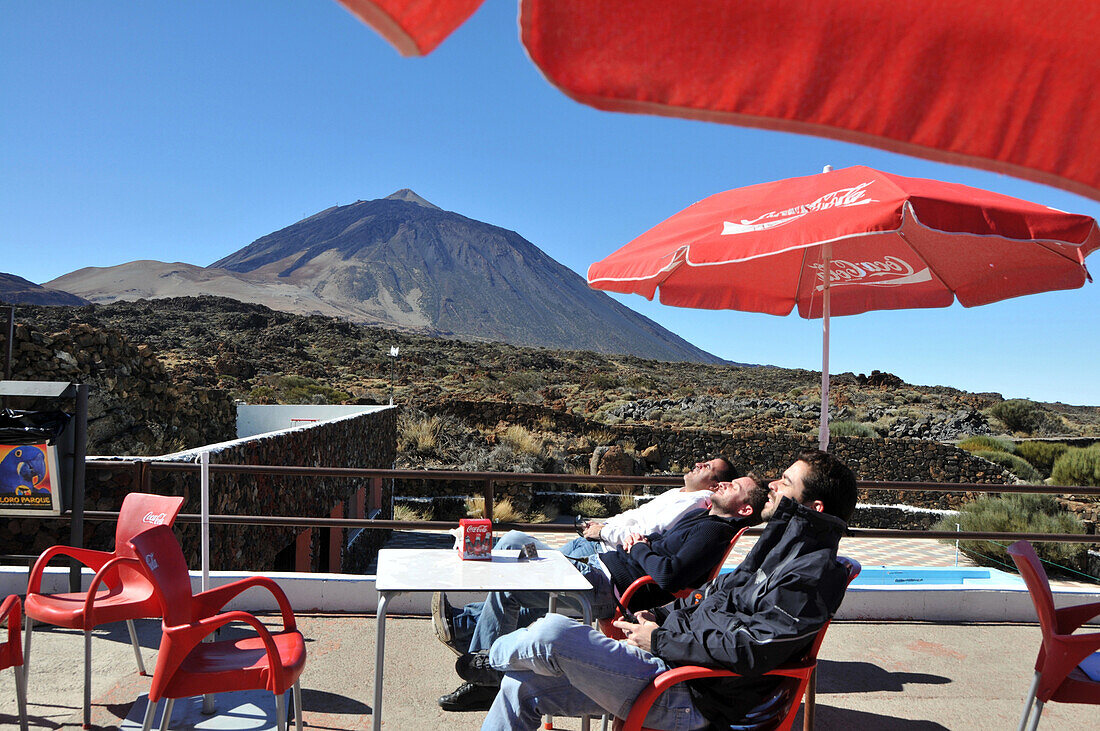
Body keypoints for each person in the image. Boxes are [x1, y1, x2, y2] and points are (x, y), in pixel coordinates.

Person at [467, 449, 858, 730]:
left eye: (785, 482)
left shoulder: (809, 576)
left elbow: (750, 649)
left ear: (815, 507)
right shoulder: (776, 551)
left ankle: (490, 658)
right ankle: (503, 662)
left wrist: (662, 640)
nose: (772, 484)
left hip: (695, 697)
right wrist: (660, 616)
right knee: (523, 686)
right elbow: (710, 598)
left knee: (554, 633)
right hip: (674, 670)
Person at [433, 472, 770, 711]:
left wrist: (638, 549)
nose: (724, 483)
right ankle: (470, 632)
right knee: (513, 541)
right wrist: (638, 544)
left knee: (511, 587)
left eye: (734, 485)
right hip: (597, 564)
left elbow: (668, 576)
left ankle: (482, 677)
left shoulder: (714, 530)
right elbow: (657, 548)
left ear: (744, 510)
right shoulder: (701, 516)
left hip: (606, 586)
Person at [569, 457, 739, 555]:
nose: (698, 464)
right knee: (544, 559)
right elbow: (637, 514)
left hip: (605, 551)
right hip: (601, 540)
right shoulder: (681, 493)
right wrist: (604, 525)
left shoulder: (695, 503)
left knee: (545, 572)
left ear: (715, 486)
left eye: (707, 467)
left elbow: (648, 533)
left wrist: (603, 532)